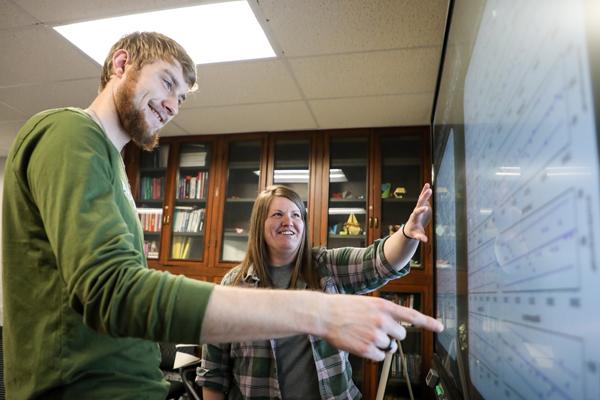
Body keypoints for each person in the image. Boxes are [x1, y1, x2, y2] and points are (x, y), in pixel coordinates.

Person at [2, 31, 442, 399]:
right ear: (121, 64)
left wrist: (405, 232)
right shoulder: (71, 131)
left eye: (181, 98)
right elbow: (112, 290)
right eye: (168, 82)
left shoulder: (114, 167)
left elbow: (380, 260)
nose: (174, 105)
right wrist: (319, 312)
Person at [197, 184, 433, 400]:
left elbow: (379, 261)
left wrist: (407, 234)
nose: (288, 221)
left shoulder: (327, 266)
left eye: (296, 215)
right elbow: (214, 372)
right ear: (259, 223)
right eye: (278, 214)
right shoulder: (233, 285)